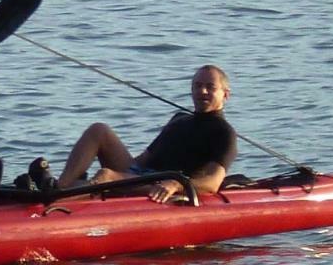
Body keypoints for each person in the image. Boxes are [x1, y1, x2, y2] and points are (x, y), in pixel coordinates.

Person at [52, 64, 237, 204]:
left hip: (164, 185)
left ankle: (53, 203)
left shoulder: (223, 132)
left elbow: (212, 183)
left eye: (210, 87)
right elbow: (143, 159)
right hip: (143, 175)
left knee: (106, 176)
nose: (202, 91)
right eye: (197, 85)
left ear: (225, 94)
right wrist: (124, 177)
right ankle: (59, 188)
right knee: (99, 130)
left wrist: (176, 184)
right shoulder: (179, 119)